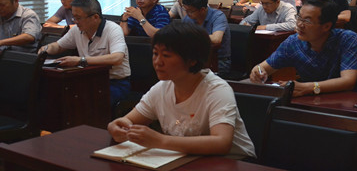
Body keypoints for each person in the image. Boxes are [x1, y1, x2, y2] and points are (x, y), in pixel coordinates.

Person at [108, 22, 255, 159]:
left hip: (234, 162)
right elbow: (128, 120)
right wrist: (117, 126)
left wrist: (161, 140)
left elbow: (222, 143)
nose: (158, 62)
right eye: (155, 53)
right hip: (188, 160)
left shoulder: (217, 90)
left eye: (166, 55)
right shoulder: (161, 88)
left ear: (192, 60)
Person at [249, 0, 357, 97]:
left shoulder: (346, 39)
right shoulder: (293, 42)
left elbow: (348, 81)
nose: (300, 24)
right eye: (299, 17)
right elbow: (262, 68)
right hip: (308, 100)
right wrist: (258, 72)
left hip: (343, 101)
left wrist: (308, 88)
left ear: (326, 26)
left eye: (307, 21)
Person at [40, 0, 131, 106]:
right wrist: (45, 49)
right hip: (87, 79)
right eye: (74, 17)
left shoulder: (113, 29)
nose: (75, 21)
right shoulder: (77, 30)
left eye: (78, 18)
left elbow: (117, 58)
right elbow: (58, 46)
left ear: (95, 17)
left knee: (84, 100)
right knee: (56, 95)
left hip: (114, 82)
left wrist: (81, 60)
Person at [182, 0, 231, 74]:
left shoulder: (218, 16)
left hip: (218, 62)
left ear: (202, 10)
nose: (187, 14)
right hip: (195, 59)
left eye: (190, 11)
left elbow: (216, 39)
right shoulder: (188, 18)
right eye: (185, 10)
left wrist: (192, 35)